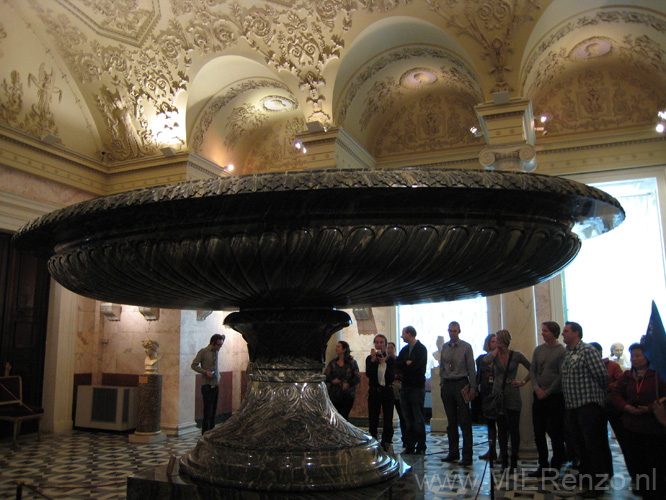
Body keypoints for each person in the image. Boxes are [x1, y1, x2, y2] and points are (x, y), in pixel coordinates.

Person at [561, 321, 613, 498]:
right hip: (573, 407)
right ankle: (585, 477)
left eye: (566, 331)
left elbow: (602, 376)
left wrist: (594, 396)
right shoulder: (568, 353)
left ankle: (597, 484)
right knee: (580, 445)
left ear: (576, 333)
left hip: (588, 407)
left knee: (593, 446)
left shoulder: (587, 351)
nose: (563, 334)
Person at [611, 343, 666, 500]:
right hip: (631, 425)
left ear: (646, 357)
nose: (634, 359)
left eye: (638, 356)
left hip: (652, 426)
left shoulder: (657, 375)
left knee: (653, 460)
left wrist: (649, 408)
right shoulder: (626, 376)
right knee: (636, 459)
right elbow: (615, 394)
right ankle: (642, 487)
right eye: (633, 355)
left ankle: (656, 491)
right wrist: (625, 406)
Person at [484, 329, 531, 473]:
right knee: (502, 429)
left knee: (514, 429)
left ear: (504, 340)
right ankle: (504, 459)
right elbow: (485, 361)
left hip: (512, 393)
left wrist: (522, 382)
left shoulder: (516, 356)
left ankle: (514, 460)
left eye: (497, 339)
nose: (495, 341)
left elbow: (532, 368)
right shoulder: (495, 356)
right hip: (498, 394)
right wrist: (495, 352)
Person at [528, 321, 567, 478]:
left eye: (545, 331)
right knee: (538, 432)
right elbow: (533, 370)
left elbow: (561, 374)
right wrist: (537, 389)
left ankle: (556, 465)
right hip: (539, 396)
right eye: (542, 330)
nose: (542, 333)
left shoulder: (561, 351)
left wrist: (548, 391)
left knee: (555, 432)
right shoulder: (539, 350)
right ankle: (542, 465)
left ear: (553, 333)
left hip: (555, 397)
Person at [439, 321, 478, 466]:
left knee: (465, 420)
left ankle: (467, 455)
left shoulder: (466, 347)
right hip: (448, 384)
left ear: (459, 331)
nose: (452, 333)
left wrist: (473, 388)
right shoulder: (445, 347)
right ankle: (453, 451)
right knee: (451, 421)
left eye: (454, 331)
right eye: (450, 331)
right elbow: (442, 365)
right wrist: (442, 382)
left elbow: (471, 369)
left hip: (461, 383)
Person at [395, 326, 428, 454]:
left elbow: (418, 367)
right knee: (407, 417)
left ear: (409, 334)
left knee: (418, 417)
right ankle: (410, 444)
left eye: (403, 334)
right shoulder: (404, 350)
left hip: (416, 387)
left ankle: (421, 445)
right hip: (405, 387)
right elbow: (397, 364)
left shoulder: (421, 349)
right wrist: (406, 364)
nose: (402, 336)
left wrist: (407, 365)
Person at [365, 334, 395, 451]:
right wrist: (373, 361)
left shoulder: (390, 359)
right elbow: (369, 374)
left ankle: (386, 441)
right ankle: (373, 440)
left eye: (381, 342)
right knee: (373, 417)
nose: (379, 344)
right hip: (374, 392)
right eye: (377, 342)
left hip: (387, 391)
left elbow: (391, 377)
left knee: (388, 418)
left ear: (385, 345)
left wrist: (384, 364)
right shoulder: (370, 358)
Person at [191, 333, 225, 434]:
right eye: (219, 345)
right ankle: (205, 433)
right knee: (208, 411)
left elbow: (223, 337)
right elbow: (194, 365)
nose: (220, 347)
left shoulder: (216, 351)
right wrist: (205, 372)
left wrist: (222, 338)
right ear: (212, 343)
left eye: (221, 345)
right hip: (207, 385)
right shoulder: (203, 352)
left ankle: (212, 432)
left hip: (216, 384)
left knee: (214, 410)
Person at [324, 340, 361, 420]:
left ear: (344, 350)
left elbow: (357, 377)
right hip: (335, 394)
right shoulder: (333, 363)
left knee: (344, 416)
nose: (336, 348)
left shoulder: (352, 363)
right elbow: (326, 376)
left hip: (348, 394)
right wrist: (333, 381)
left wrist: (348, 384)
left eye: (338, 347)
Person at [477, 332, 498, 461]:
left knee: (502, 424)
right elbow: (479, 376)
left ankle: (504, 452)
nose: (495, 343)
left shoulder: (503, 358)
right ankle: (492, 450)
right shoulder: (481, 359)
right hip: (486, 394)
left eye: (496, 341)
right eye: (492, 341)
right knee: (490, 424)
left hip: (499, 394)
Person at [387, 341, 408, 448]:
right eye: (388, 347)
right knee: (388, 415)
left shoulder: (398, 360)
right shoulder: (384, 360)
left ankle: (406, 438)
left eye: (391, 347)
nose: (389, 349)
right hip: (388, 389)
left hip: (398, 388)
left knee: (402, 414)